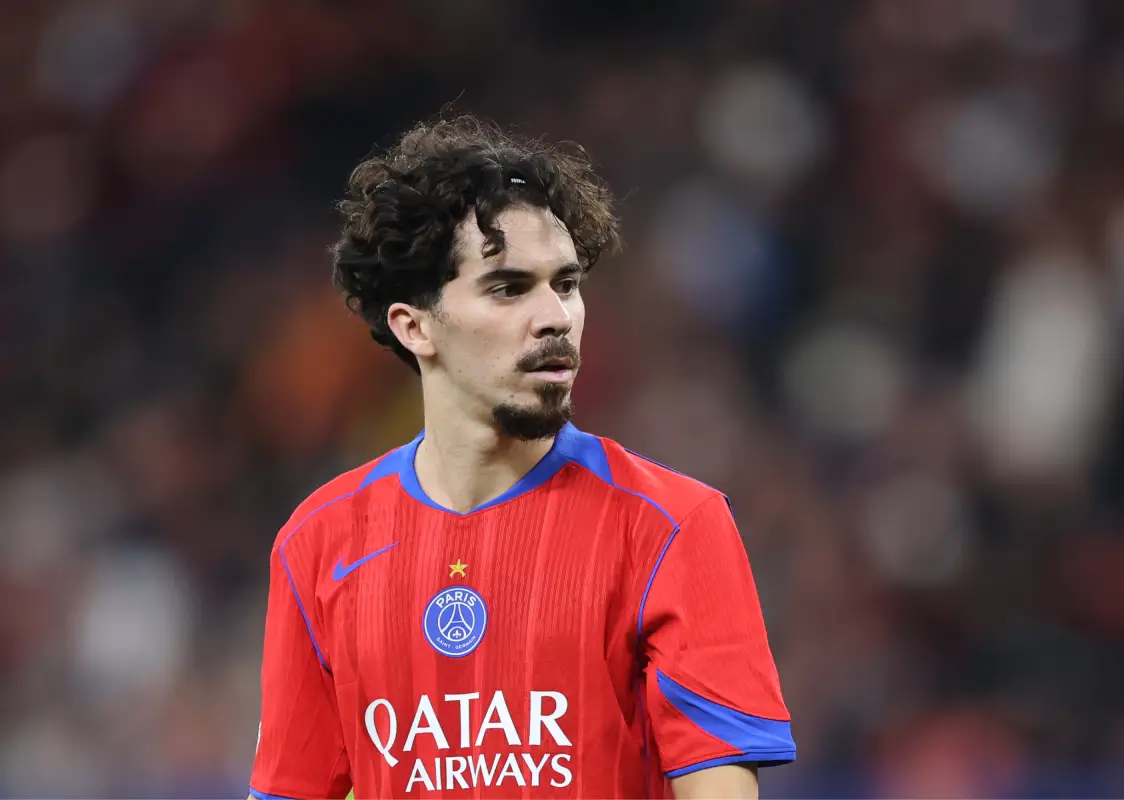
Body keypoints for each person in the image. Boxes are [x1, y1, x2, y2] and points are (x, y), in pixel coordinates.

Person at [248, 115, 794, 799]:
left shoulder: (674, 526)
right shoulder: (318, 544)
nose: (556, 317)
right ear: (413, 326)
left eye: (565, 284)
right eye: (509, 288)